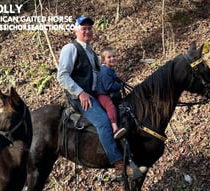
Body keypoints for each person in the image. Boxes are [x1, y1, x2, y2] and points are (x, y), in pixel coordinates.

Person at [57, 16, 147, 179]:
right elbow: (62, 76)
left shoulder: (90, 51)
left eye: (89, 28)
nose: (87, 31)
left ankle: (132, 157)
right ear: (76, 30)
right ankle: (119, 165)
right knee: (104, 122)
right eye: (83, 28)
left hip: (94, 93)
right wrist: (80, 92)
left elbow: (99, 73)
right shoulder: (70, 49)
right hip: (81, 97)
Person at [93, 47, 126, 140]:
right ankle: (115, 127)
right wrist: (119, 85)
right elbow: (109, 87)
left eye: (114, 56)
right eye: (109, 57)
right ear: (104, 60)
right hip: (102, 94)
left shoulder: (111, 69)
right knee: (110, 105)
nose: (112, 59)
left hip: (107, 93)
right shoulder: (105, 71)